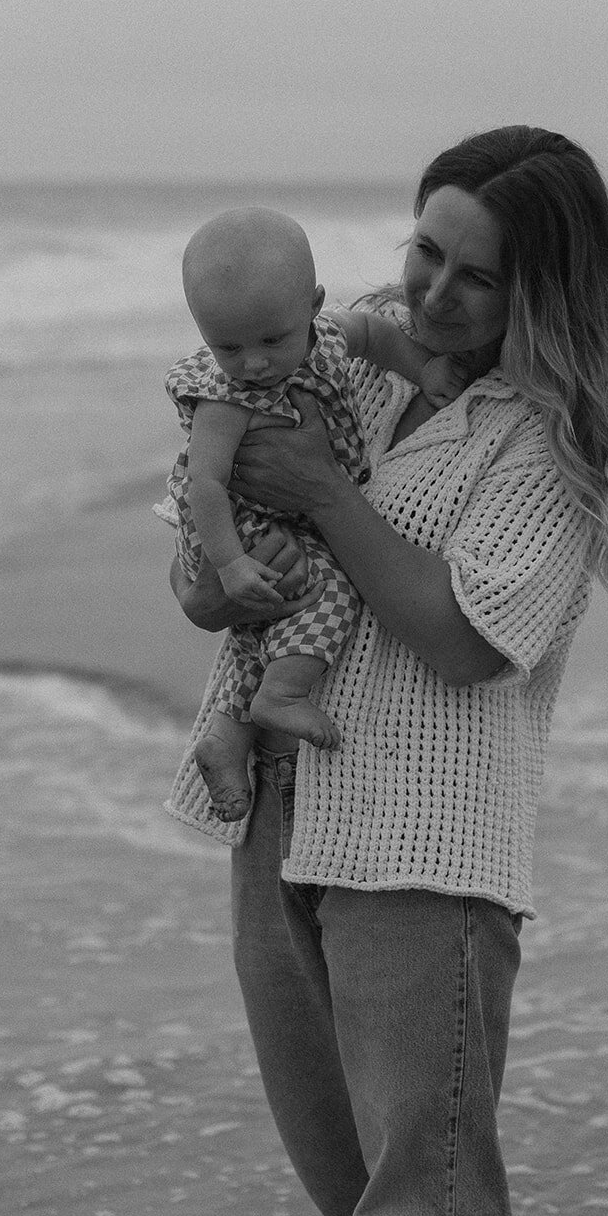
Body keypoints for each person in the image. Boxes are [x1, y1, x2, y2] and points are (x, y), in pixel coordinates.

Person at [167, 127, 608, 1216]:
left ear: (541, 294)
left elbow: (458, 634)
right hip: (277, 803)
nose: (431, 293)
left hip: (421, 844)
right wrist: (215, 556)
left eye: (474, 276)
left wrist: (322, 496)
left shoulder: (549, 444)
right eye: (423, 250)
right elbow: (205, 581)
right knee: (341, 1172)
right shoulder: (344, 367)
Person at [163, 205, 466, 821]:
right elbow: (203, 487)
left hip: (279, 514)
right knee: (326, 592)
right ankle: (281, 694)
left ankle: (227, 733)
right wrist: (227, 567)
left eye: (272, 341)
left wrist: (421, 369)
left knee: (268, 625)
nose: (253, 364)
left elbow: (377, 337)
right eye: (227, 346)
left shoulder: (328, 336)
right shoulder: (227, 396)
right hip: (235, 522)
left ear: (313, 305)